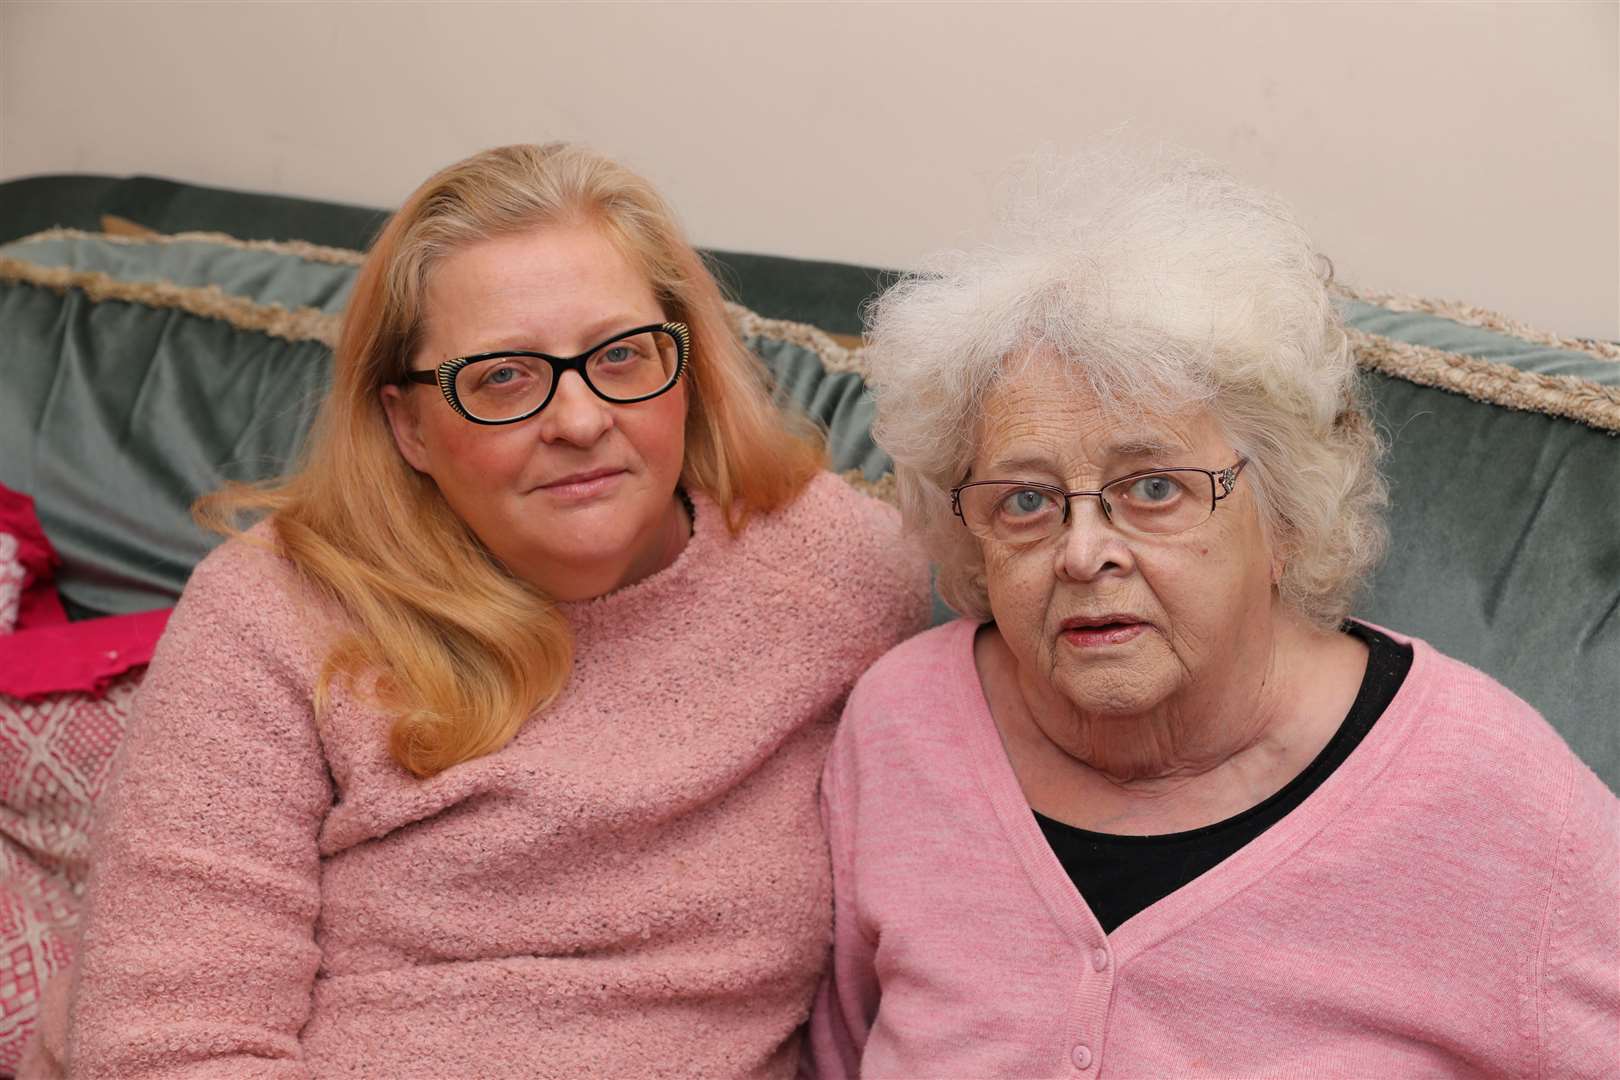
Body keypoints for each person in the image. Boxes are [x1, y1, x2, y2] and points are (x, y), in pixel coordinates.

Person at [25, 144, 930, 1079]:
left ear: (686, 370)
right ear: (407, 425)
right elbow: (167, 1047)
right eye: (502, 377)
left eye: (622, 355)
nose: (579, 419)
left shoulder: (838, 567)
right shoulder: (274, 612)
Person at [805, 150, 1618, 1078]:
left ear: (1283, 509)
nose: (1082, 552)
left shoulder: (1489, 793)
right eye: (1024, 502)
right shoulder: (902, 724)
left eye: (1153, 487)